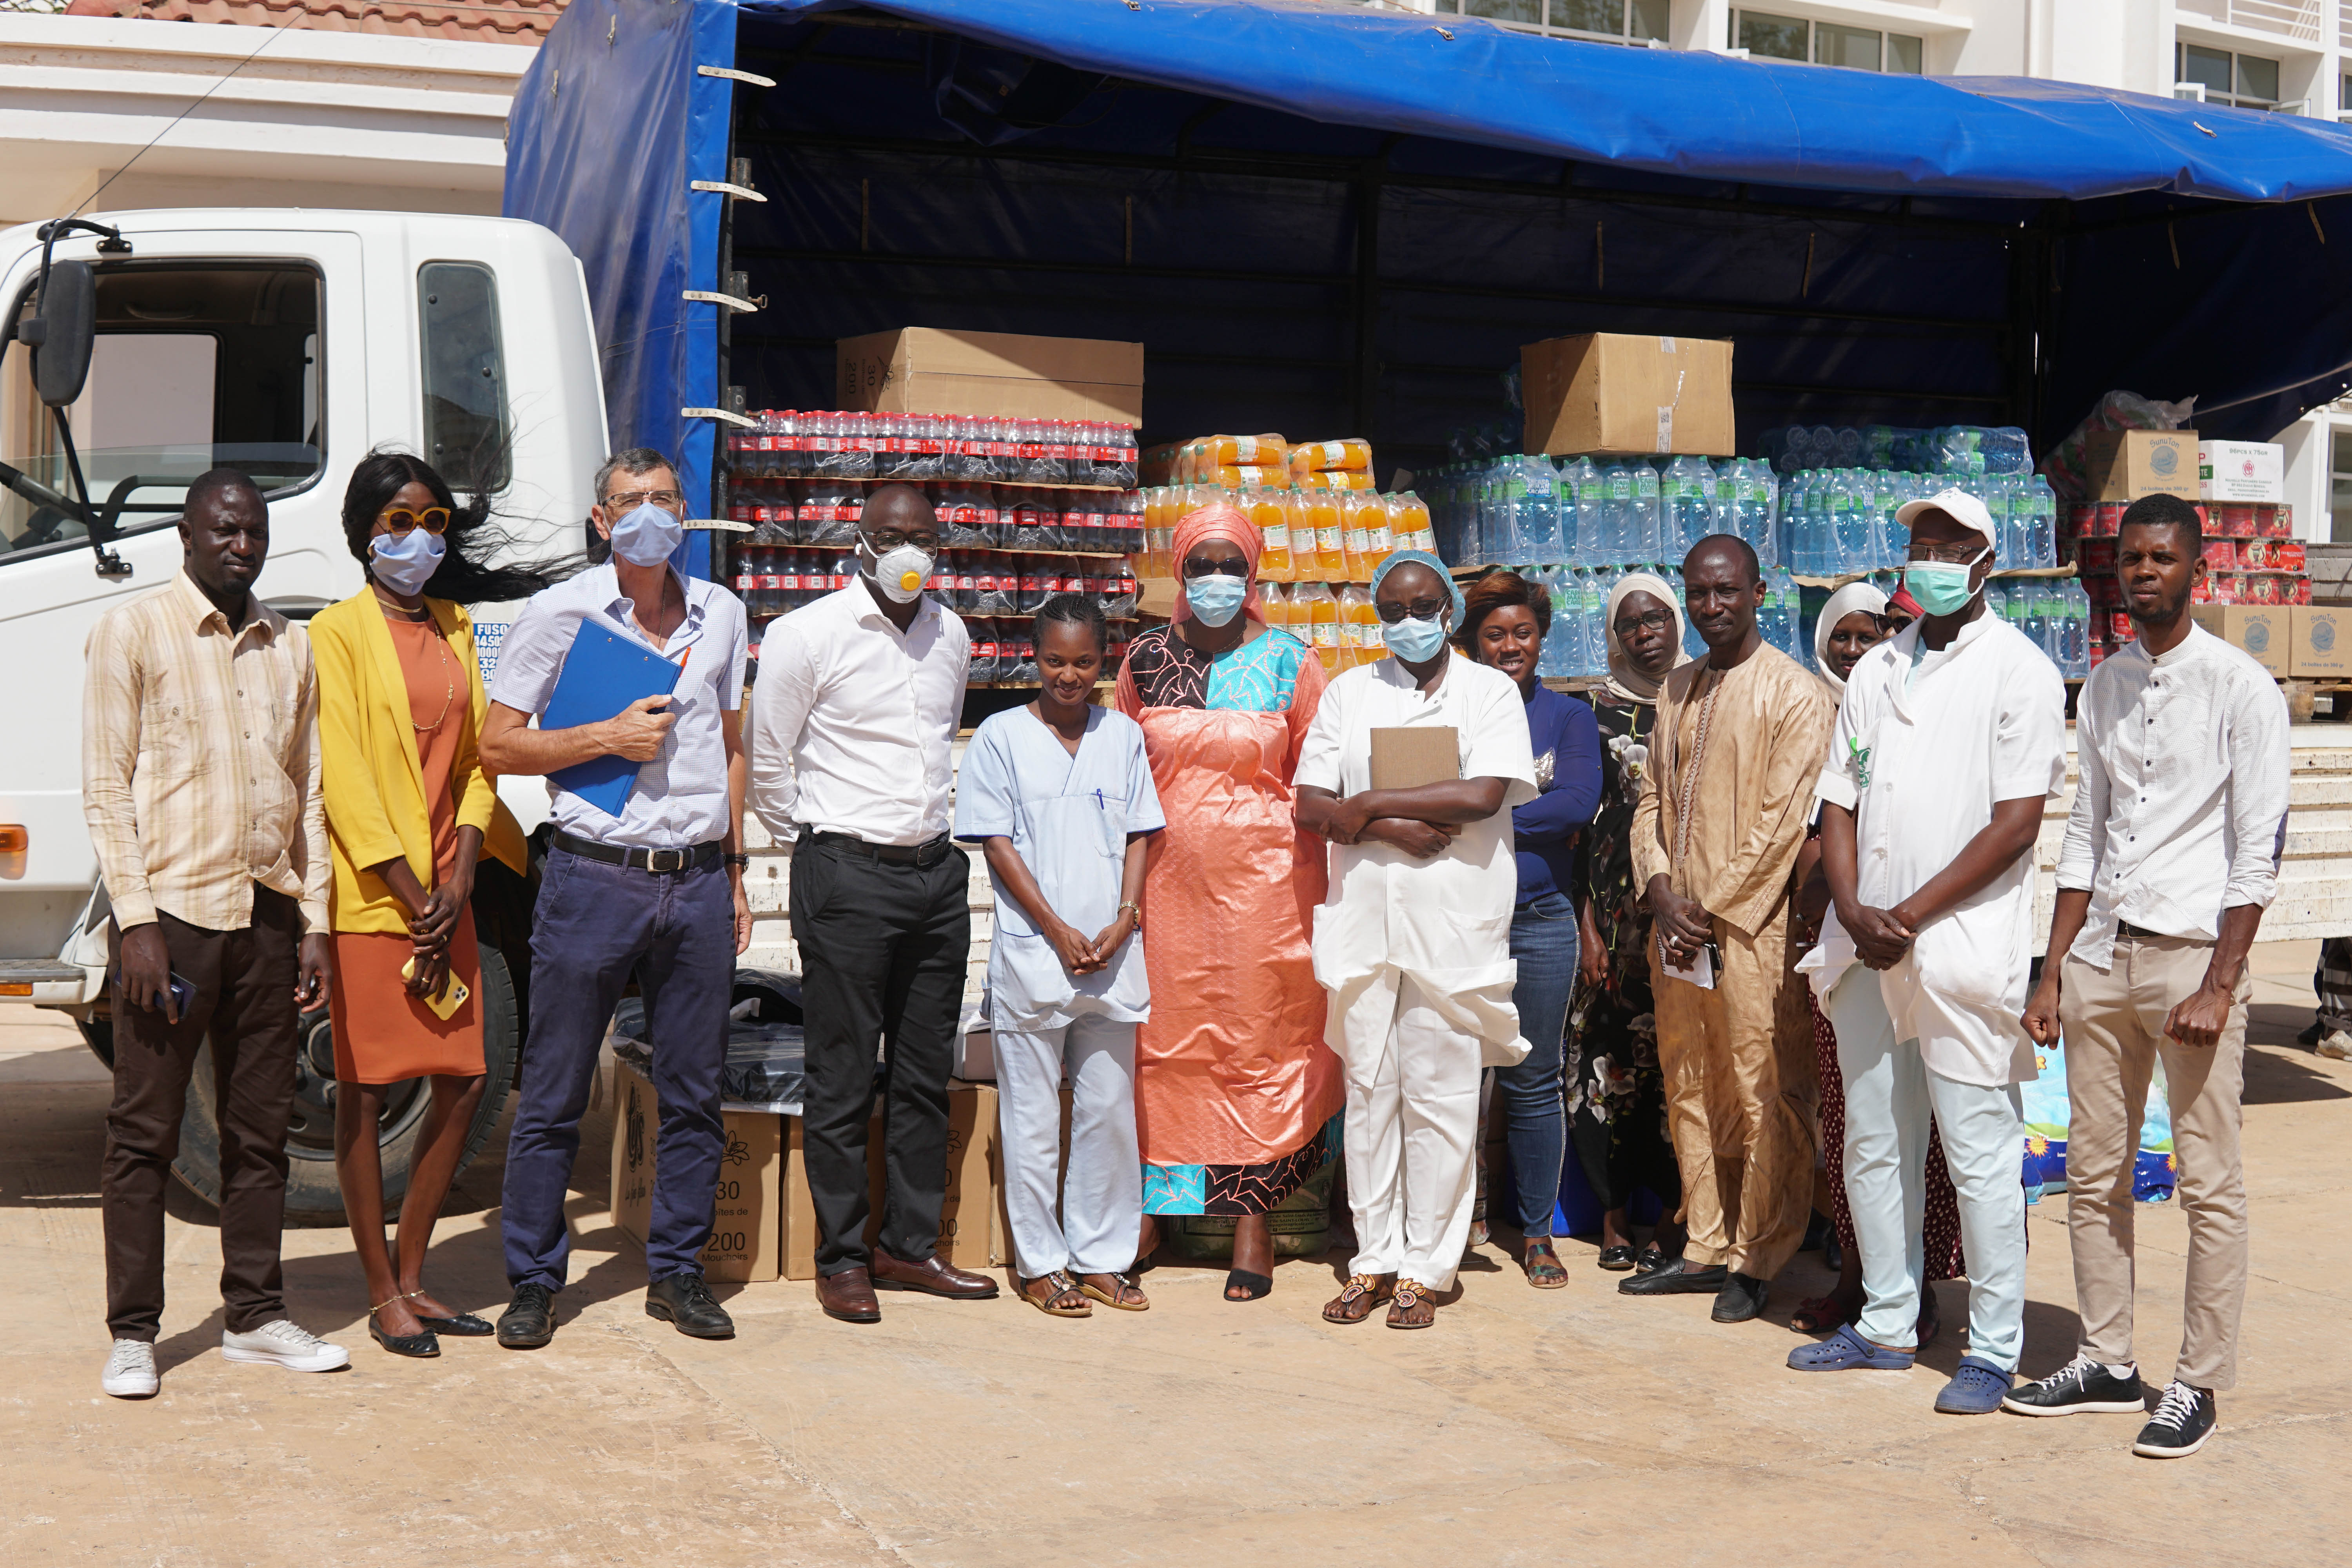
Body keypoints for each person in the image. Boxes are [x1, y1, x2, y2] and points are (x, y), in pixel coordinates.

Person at [2012, 492, 2290, 1458]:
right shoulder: (2102, 688)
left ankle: (2199, 1379)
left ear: (2195, 568)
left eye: (2162, 557)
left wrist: (2221, 981)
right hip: (2100, 958)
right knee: (2094, 1173)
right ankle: (2107, 1357)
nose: (2144, 571)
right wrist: (2052, 970)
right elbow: (2085, 833)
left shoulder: (2242, 686)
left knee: (2210, 1180)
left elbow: (2259, 849)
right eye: (2131, 557)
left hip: (2188, 961)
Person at [1789, 491, 2066, 1417]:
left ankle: (1992, 1345)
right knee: (1872, 1134)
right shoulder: (1877, 668)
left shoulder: (2020, 671)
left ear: (1987, 560)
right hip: (1866, 939)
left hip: (1955, 941)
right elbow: (1839, 798)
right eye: (1920, 546)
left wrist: (1903, 913)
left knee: (1978, 1146)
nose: (1933, 559)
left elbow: (2017, 821)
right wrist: (1858, 909)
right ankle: (1886, 1320)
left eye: (1952, 546)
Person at [82, 468, 346, 1398]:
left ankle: (256, 1314)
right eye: (226, 529)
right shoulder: (134, 631)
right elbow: (107, 789)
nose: (243, 544)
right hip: (176, 923)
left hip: (267, 918)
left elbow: (307, 789)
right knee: (144, 1130)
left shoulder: (292, 646)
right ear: (187, 536)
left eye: (255, 531)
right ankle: (133, 1331)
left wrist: (315, 919)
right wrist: (137, 922)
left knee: (261, 1129)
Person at [480, 447, 752, 1348]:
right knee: (555, 1090)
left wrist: (738, 867)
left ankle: (677, 1269)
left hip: (698, 882)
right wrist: (602, 734)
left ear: (688, 512)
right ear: (602, 522)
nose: (650, 514)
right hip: (594, 876)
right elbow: (499, 746)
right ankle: (532, 1277)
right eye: (631, 502)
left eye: (666, 499)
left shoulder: (722, 613)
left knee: (694, 1092)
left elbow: (733, 743)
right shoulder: (559, 614)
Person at [312, 452, 561, 1357]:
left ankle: (416, 1274)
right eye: (397, 522)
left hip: (444, 893)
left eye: (433, 521)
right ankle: (381, 1289)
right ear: (364, 534)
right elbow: (344, 779)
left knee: (463, 1082)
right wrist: (415, 892)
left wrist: (458, 879)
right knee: (366, 1095)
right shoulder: (334, 636)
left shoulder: (456, 626)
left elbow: (477, 762)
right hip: (374, 902)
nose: (417, 538)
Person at [749, 481, 999, 1323]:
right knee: (845, 1072)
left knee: (926, 1072)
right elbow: (770, 756)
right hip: (848, 872)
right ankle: (842, 1257)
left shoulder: (951, 633)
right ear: (858, 538)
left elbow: (938, 739)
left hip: (936, 873)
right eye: (892, 534)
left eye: (924, 536)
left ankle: (909, 1244)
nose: (909, 550)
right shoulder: (804, 633)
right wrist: (823, 844)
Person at [1297, 552, 1537, 1329]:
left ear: (1450, 610)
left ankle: (1428, 1267)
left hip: (1451, 923)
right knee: (1369, 1092)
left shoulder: (1489, 691)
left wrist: (1367, 801)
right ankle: (1373, 1257)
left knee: (1440, 1095)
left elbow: (1484, 792)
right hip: (1367, 922)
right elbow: (1309, 803)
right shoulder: (1349, 692)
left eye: (1422, 605)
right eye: (1391, 610)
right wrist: (1391, 822)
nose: (1407, 622)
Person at [1114, 503, 1342, 1302]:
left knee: (1258, 1045)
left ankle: (1255, 1216)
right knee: (1164, 1048)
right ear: (1180, 570)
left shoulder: (1291, 660)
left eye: (1231, 564)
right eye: (1202, 564)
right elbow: (1117, 768)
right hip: (1167, 888)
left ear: (1253, 571)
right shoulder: (1143, 659)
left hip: (1266, 891)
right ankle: (1155, 1212)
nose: (1217, 579)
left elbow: (1323, 768)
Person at [1620, 535, 1833, 1324]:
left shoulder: (1796, 692)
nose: (1713, 606)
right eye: (1699, 593)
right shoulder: (1676, 688)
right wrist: (1661, 888)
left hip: (1750, 933)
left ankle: (1761, 1251)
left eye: (1726, 591)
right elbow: (1651, 799)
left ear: (1758, 590)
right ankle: (1704, 1240)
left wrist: (1705, 908)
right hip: (1678, 927)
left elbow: (1780, 826)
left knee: (1763, 1088)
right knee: (1690, 1079)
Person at [954, 594, 1164, 1317]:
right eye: (1054, 661)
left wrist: (1125, 919)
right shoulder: (1000, 738)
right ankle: (1041, 1264)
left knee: (1107, 1113)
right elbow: (996, 840)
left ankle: (1102, 1256)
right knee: (1034, 1118)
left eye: (1083, 662)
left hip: (1111, 952)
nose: (1068, 676)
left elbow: (1140, 832)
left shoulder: (1124, 737)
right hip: (1034, 954)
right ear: (1031, 658)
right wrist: (1053, 926)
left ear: (1103, 662)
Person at [1787, 582, 1966, 1343]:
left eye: (1888, 630)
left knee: (1929, 1133)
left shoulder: (1952, 709)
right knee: (1856, 1123)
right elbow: (1823, 830)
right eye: (1856, 635)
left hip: (1927, 941)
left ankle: (1916, 1288)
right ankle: (1864, 1279)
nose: (1867, 649)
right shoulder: (1841, 718)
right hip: (1848, 950)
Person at [1459, 570, 1601, 1287]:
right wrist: (1523, 820)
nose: (1510, 645)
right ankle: (1458, 1223)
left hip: (1542, 919)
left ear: (1541, 639)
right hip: (1460, 917)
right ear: (1473, 642)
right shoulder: (1453, 710)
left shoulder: (1569, 718)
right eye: (1494, 634)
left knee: (1533, 1078)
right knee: (1457, 1075)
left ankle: (1537, 1233)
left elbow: (1576, 803)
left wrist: (1473, 815)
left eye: (1522, 633)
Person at [1569, 574, 1689, 1274]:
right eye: (1632, 624)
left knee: (1679, 1073)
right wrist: (1588, 927)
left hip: (1682, 917)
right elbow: (1582, 833)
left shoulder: (1701, 696)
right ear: (1615, 636)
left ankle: (1670, 1223)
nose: (1647, 634)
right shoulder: (1594, 713)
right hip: (1614, 922)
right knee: (1608, 1070)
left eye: (1658, 619)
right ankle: (1614, 1218)